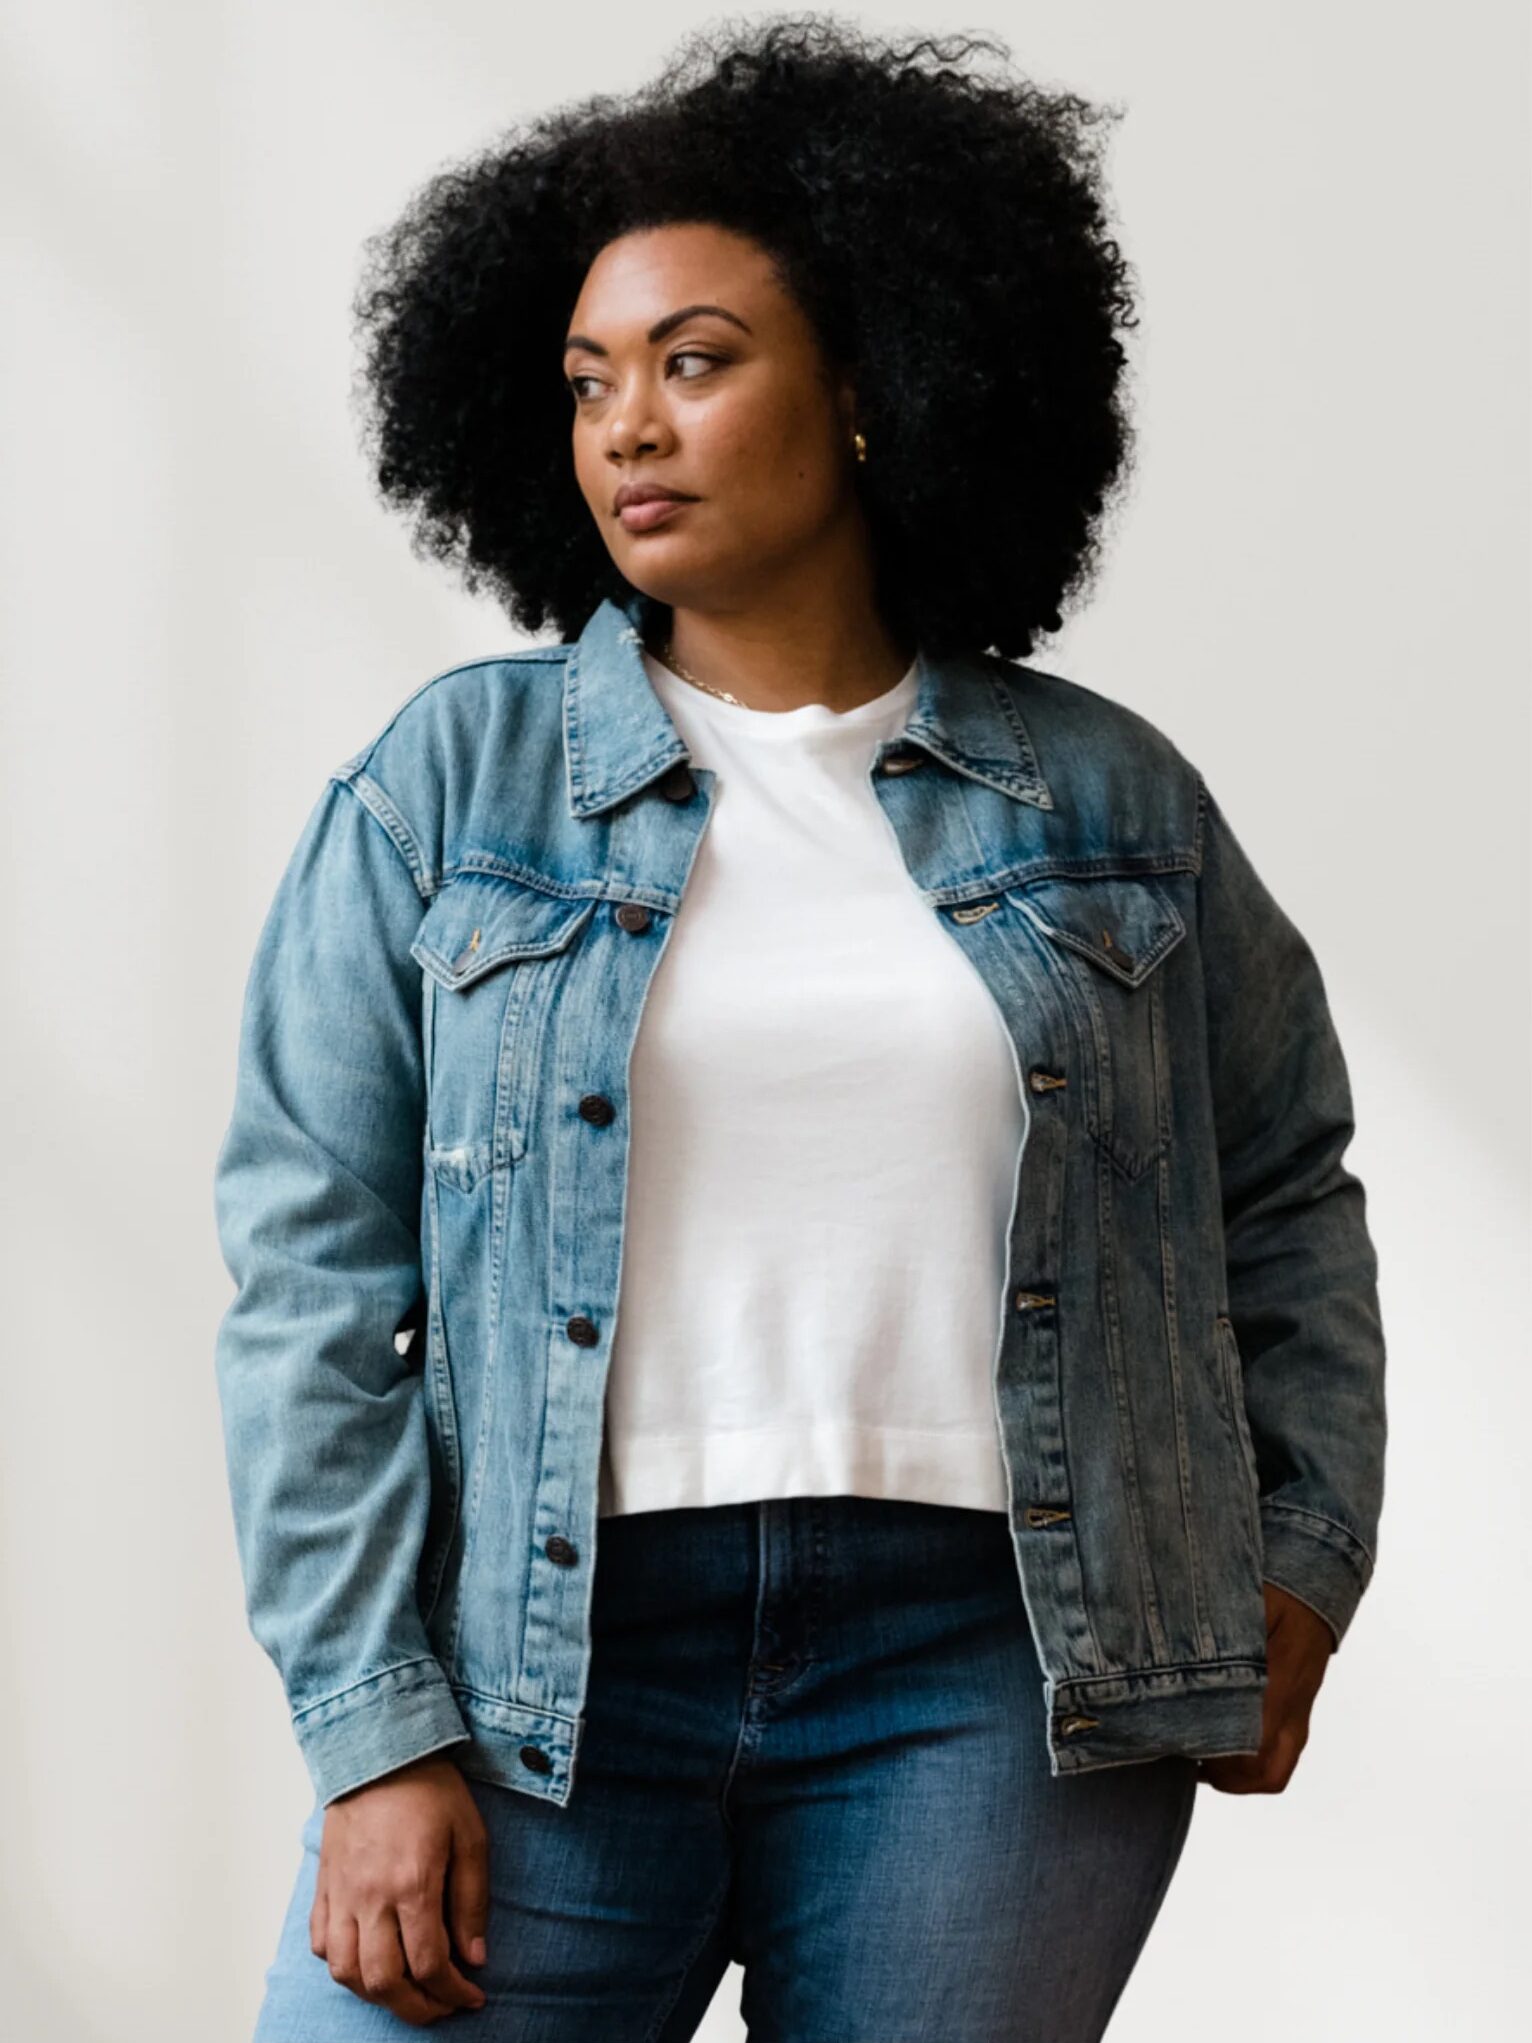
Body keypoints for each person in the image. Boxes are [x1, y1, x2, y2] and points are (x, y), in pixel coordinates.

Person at [212, 17, 1388, 2039]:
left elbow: (1282, 1193)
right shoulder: (450, 792)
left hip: (993, 1672)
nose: (626, 429)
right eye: (588, 380)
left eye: (693, 360)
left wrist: (1297, 1565)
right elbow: (310, 1273)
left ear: (867, 387)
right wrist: (372, 1729)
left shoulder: (1107, 802)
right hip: (545, 1663)